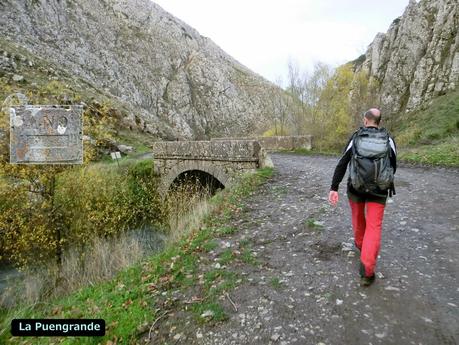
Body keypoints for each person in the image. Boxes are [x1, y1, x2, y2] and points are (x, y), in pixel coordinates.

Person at [328, 108, 396, 286]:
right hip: (379, 190)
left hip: (356, 188)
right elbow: (393, 166)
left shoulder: (356, 137)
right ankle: (367, 271)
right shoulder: (388, 139)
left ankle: (360, 244)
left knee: (358, 219)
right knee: (374, 227)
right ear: (379, 121)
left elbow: (343, 162)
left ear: (366, 120)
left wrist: (334, 187)